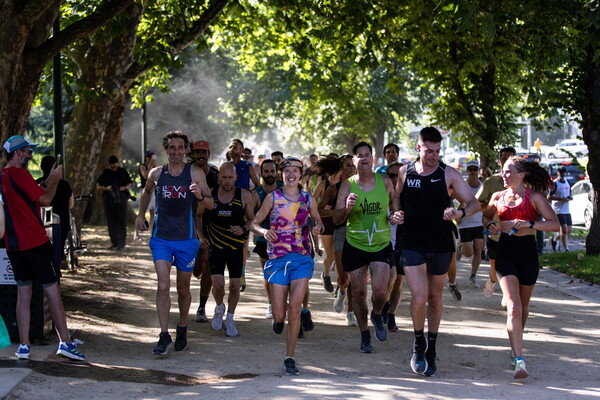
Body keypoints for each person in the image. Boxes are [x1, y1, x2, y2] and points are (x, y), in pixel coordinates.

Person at [393, 127, 479, 377]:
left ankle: (432, 347)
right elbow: (397, 197)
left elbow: (474, 202)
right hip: (411, 242)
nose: (434, 156)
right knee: (419, 298)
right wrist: (397, 213)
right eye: (429, 151)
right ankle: (418, 345)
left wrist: (460, 212)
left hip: (440, 243)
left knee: (435, 299)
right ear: (418, 148)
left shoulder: (448, 173)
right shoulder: (404, 172)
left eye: (438, 151)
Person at [1, 135, 84, 361]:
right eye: (27, 151)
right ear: (18, 153)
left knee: (23, 293)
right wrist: (55, 179)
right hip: (36, 243)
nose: (30, 155)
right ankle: (65, 342)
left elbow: (30, 195)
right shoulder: (21, 174)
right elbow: (46, 199)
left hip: (13, 246)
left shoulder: (3, 177)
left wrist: (47, 179)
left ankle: (24, 346)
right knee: (52, 291)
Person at [135, 130, 213, 355]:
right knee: (162, 286)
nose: (177, 151)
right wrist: (141, 215)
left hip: (187, 240)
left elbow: (210, 204)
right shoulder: (156, 174)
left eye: (181, 147)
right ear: (166, 150)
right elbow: (146, 192)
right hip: (161, 239)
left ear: (186, 150)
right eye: (172, 147)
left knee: (183, 288)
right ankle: (163, 334)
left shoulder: (195, 172)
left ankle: (182, 327)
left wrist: (199, 194)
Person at [483, 156, 559, 379]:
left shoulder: (534, 197)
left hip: (528, 254)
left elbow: (554, 224)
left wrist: (531, 223)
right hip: (505, 252)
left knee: (523, 308)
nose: (503, 175)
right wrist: (490, 227)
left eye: (508, 171)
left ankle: (515, 343)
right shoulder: (498, 197)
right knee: (514, 307)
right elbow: (486, 218)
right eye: (503, 171)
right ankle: (519, 359)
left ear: (521, 174)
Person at [250, 157, 324, 375]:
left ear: (301, 174)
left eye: (295, 170)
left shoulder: (308, 199)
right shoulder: (272, 198)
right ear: (282, 174)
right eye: (287, 170)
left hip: (301, 258)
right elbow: (253, 223)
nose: (291, 174)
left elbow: (318, 221)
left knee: (294, 310)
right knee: (280, 314)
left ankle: (290, 356)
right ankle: (277, 318)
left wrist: (318, 228)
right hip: (277, 259)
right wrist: (263, 231)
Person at [333, 142, 403, 354]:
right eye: (359, 155)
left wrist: (395, 216)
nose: (364, 158)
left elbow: (394, 208)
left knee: (381, 292)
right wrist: (346, 208)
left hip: (381, 244)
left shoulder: (384, 182)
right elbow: (337, 219)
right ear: (354, 160)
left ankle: (378, 314)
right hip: (355, 244)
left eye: (367, 155)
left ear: (373, 159)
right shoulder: (347, 185)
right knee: (359, 292)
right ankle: (365, 334)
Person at [199, 163, 254, 337]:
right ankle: (219, 307)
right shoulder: (210, 194)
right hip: (215, 247)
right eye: (224, 177)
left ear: (236, 178)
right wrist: (200, 236)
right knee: (218, 285)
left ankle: (230, 318)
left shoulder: (244, 195)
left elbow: (252, 219)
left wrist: (244, 228)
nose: (228, 181)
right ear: (218, 177)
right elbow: (198, 215)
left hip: (236, 248)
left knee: (235, 286)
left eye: (231, 177)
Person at [477, 147, 516, 298]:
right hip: (495, 234)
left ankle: (510, 297)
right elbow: (477, 204)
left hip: (516, 234)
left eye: (510, 158)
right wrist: (490, 206)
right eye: (504, 158)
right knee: (496, 269)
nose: (507, 161)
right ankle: (492, 280)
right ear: (499, 162)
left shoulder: (524, 181)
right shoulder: (491, 182)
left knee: (512, 269)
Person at [190, 140, 219, 323]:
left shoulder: (216, 175)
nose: (201, 155)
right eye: (197, 152)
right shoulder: (186, 172)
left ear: (209, 154)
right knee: (195, 269)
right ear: (192, 154)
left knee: (208, 267)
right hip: (186, 223)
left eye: (204, 152)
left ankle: (201, 307)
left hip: (211, 225)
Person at [251, 159, 283, 318]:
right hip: (264, 240)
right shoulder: (257, 193)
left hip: (285, 240)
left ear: (276, 172)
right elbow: (250, 220)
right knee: (268, 273)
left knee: (284, 273)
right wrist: (261, 232)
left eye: (272, 171)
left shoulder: (284, 190)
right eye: (266, 171)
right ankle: (271, 304)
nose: (269, 174)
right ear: (261, 173)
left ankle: (282, 302)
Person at [36, 155, 74, 266]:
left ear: (41, 167)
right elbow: (71, 205)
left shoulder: (37, 184)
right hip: (61, 224)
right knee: (57, 254)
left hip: (41, 224)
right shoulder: (65, 185)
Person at [456, 160, 485, 287]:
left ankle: (473, 276)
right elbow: (460, 202)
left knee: (479, 250)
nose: (473, 172)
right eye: (470, 169)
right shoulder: (462, 185)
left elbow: (487, 203)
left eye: (475, 169)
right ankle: (461, 247)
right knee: (469, 253)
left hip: (479, 222)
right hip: (465, 223)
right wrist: (458, 215)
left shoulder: (483, 185)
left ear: (478, 171)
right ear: (467, 171)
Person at [383, 161, 404, 332]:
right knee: (390, 278)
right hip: (385, 244)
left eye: (399, 175)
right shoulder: (381, 196)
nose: (395, 178)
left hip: (404, 245)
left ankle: (390, 315)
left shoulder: (409, 198)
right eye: (392, 175)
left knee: (398, 282)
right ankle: (382, 306)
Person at [96, 155, 133, 251]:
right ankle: (114, 243)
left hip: (121, 199)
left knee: (121, 222)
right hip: (109, 199)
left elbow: (129, 183)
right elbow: (98, 186)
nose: (114, 169)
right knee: (111, 222)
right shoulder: (105, 173)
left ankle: (122, 244)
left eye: (115, 167)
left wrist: (123, 188)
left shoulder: (122, 171)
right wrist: (107, 189)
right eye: (112, 167)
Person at [548, 166, 572, 252]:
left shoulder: (567, 182)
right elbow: (549, 196)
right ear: (558, 172)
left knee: (568, 230)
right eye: (561, 172)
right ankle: (566, 249)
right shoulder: (555, 183)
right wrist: (561, 199)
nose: (562, 174)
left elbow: (569, 192)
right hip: (558, 210)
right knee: (564, 229)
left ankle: (554, 239)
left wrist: (570, 197)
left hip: (566, 209)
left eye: (564, 172)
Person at [134, 150, 157, 241]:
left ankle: (151, 232)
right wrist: (150, 166)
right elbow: (145, 176)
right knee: (141, 213)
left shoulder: (154, 167)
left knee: (152, 213)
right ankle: (136, 234)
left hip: (153, 191)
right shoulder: (142, 166)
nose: (152, 158)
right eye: (150, 156)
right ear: (147, 157)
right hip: (144, 190)